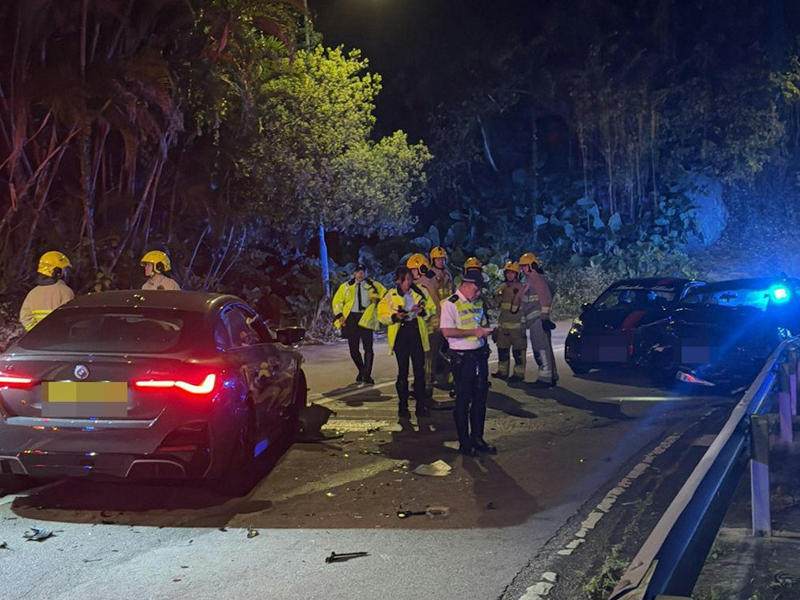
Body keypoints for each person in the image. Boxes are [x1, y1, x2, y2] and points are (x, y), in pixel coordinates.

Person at [441, 271, 496, 456]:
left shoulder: (478, 302)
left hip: (479, 355)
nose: (478, 293)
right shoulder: (450, 304)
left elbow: (481, 324)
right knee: (463, 400)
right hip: (462, 358)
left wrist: (485, 335)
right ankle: (465, 443)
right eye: (476, 289)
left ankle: (478, 439)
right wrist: (474, 332)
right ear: (466, 285)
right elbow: (447, 331)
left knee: (480, 399)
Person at [378, 266, 432, 419]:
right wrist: (394, 316)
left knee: (419, 371)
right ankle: (403, 406)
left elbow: (432, 308)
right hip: (401, 334)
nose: (407, 282)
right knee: (403, 372)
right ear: (397, 281)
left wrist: (422, 311)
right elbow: (381, 314)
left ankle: (421, 406)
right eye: (404, 280)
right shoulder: (390, 295)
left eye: (409, 279)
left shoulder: (420, 292)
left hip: (416, 333)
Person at [331, 264, 387, 384]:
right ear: (353, 274)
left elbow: (386, 297)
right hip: (351, 319)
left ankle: (367, 374)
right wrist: (340, 315)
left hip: (366, 317)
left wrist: (377, 303)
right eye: (358, 272)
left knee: (368, 348)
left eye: (362, 272)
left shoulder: (374, 285)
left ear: (366, 273)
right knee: (353, 349)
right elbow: (337, 301)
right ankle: (362, 370)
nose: (360, 274)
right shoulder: (346, 286)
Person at [519, 252, 558, 387]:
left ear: (532, 266)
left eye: (525, 266)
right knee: (545, 348)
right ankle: (551, 376)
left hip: (538, 320)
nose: (523, 269)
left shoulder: (536, 279)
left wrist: (544, 317)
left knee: (540, 349)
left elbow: (545, 298)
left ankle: (545, 379)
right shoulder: (531, 280)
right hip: (534, 320)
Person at [407, 253, 442, 397]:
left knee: (428, 360)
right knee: (424, 359)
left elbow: (430, 307)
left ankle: (426, 389)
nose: (411, 273)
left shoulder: (424, 285)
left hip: (430, 326)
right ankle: (421, 385)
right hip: (426, 326)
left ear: (421, 269)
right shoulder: (426, 281)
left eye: (413, 270)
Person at [20, 251, 75, 331]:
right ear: (57, 272)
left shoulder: (32, 293)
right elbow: (70, 317)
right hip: (59, 336)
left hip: (40, 338)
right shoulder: (65, 292)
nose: (66, 273)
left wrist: (37, 331)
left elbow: (25, 317)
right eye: (64, 270)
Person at [492, 261, 527, 382]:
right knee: (502, 350)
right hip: (504, 325)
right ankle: (502, 372)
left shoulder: (522, 288)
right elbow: (496, 302)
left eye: (513, 273)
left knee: (518, 352)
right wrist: (497, 294)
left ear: (517, 274)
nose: (510, 275)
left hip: (517, 327)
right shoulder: (503, 287)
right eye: (508, 273)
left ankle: (518, 374)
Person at [429, 246, 455, 389]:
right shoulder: (430, 275)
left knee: (448, 348)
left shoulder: (447, 274)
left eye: (442, 259)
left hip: (447, 316)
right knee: (433, 350)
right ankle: (432, 377)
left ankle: (447, 375)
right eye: (437, 259)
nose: (440, 261)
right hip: (435, 318)